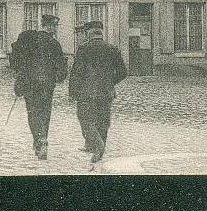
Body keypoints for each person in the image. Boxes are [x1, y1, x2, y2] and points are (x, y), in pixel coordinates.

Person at [68, 20, 127, 164]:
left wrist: (72, 92)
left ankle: (97, 146)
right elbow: (123, 72)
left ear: (90, 33)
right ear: (101, 32)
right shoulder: (112, 49)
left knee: (85, 119)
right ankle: (96, 146)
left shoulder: (83, 49)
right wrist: (109, 82)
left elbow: (76, 73)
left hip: (86, 93)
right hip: (106, 92)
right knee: (103, 120)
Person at [13, 14, 67, 161]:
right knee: (44, 112)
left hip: (30, 84)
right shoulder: (54, 44)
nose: (55, 29)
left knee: (32, 112)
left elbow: (19, 63)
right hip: (47, 85)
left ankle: (38, 140)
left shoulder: (30, 40)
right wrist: (58, 77)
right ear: (49, 26)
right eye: (54, 26)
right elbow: (62, 70)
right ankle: (43, 138)